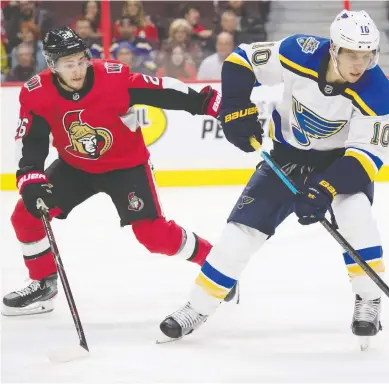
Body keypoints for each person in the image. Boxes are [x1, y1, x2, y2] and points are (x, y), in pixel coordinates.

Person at [159, 10, 389, 349]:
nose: (360, 64)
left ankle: (369, 299)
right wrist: (236, 108)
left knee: (356, 218)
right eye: (352, 54)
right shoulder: (300, 51)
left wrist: (324, 189)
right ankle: (196, 308)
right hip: (285, 157)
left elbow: (366, 156)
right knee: (239, 234)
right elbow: (242, 61)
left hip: (337, 165)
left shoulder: (378, 91)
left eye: (366, 55)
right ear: (333, 49)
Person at [2, 27, 236, 316]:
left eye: (80, 61)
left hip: (127, 165)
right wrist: (31, 175)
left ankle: (215, 264)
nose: (77, 71)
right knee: (25, 217)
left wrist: (209, 103)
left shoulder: (112, 78)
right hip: (76, 167)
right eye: (67, 64)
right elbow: (31, 139)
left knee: (154, 236)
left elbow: (162, 91)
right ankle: (43, 284)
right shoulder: (37, 93)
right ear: (52, 65)